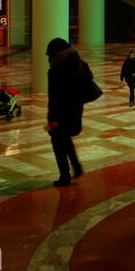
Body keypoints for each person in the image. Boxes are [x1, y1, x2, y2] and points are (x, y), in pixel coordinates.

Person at [46, 37, 92, 186]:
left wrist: (51, 119)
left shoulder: (56, 70)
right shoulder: (78, 63)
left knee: (57, 141)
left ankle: (65, 175)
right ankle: (76, 167)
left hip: (60, 112)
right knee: (64, 138)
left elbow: (54, 97)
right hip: (75, 109)